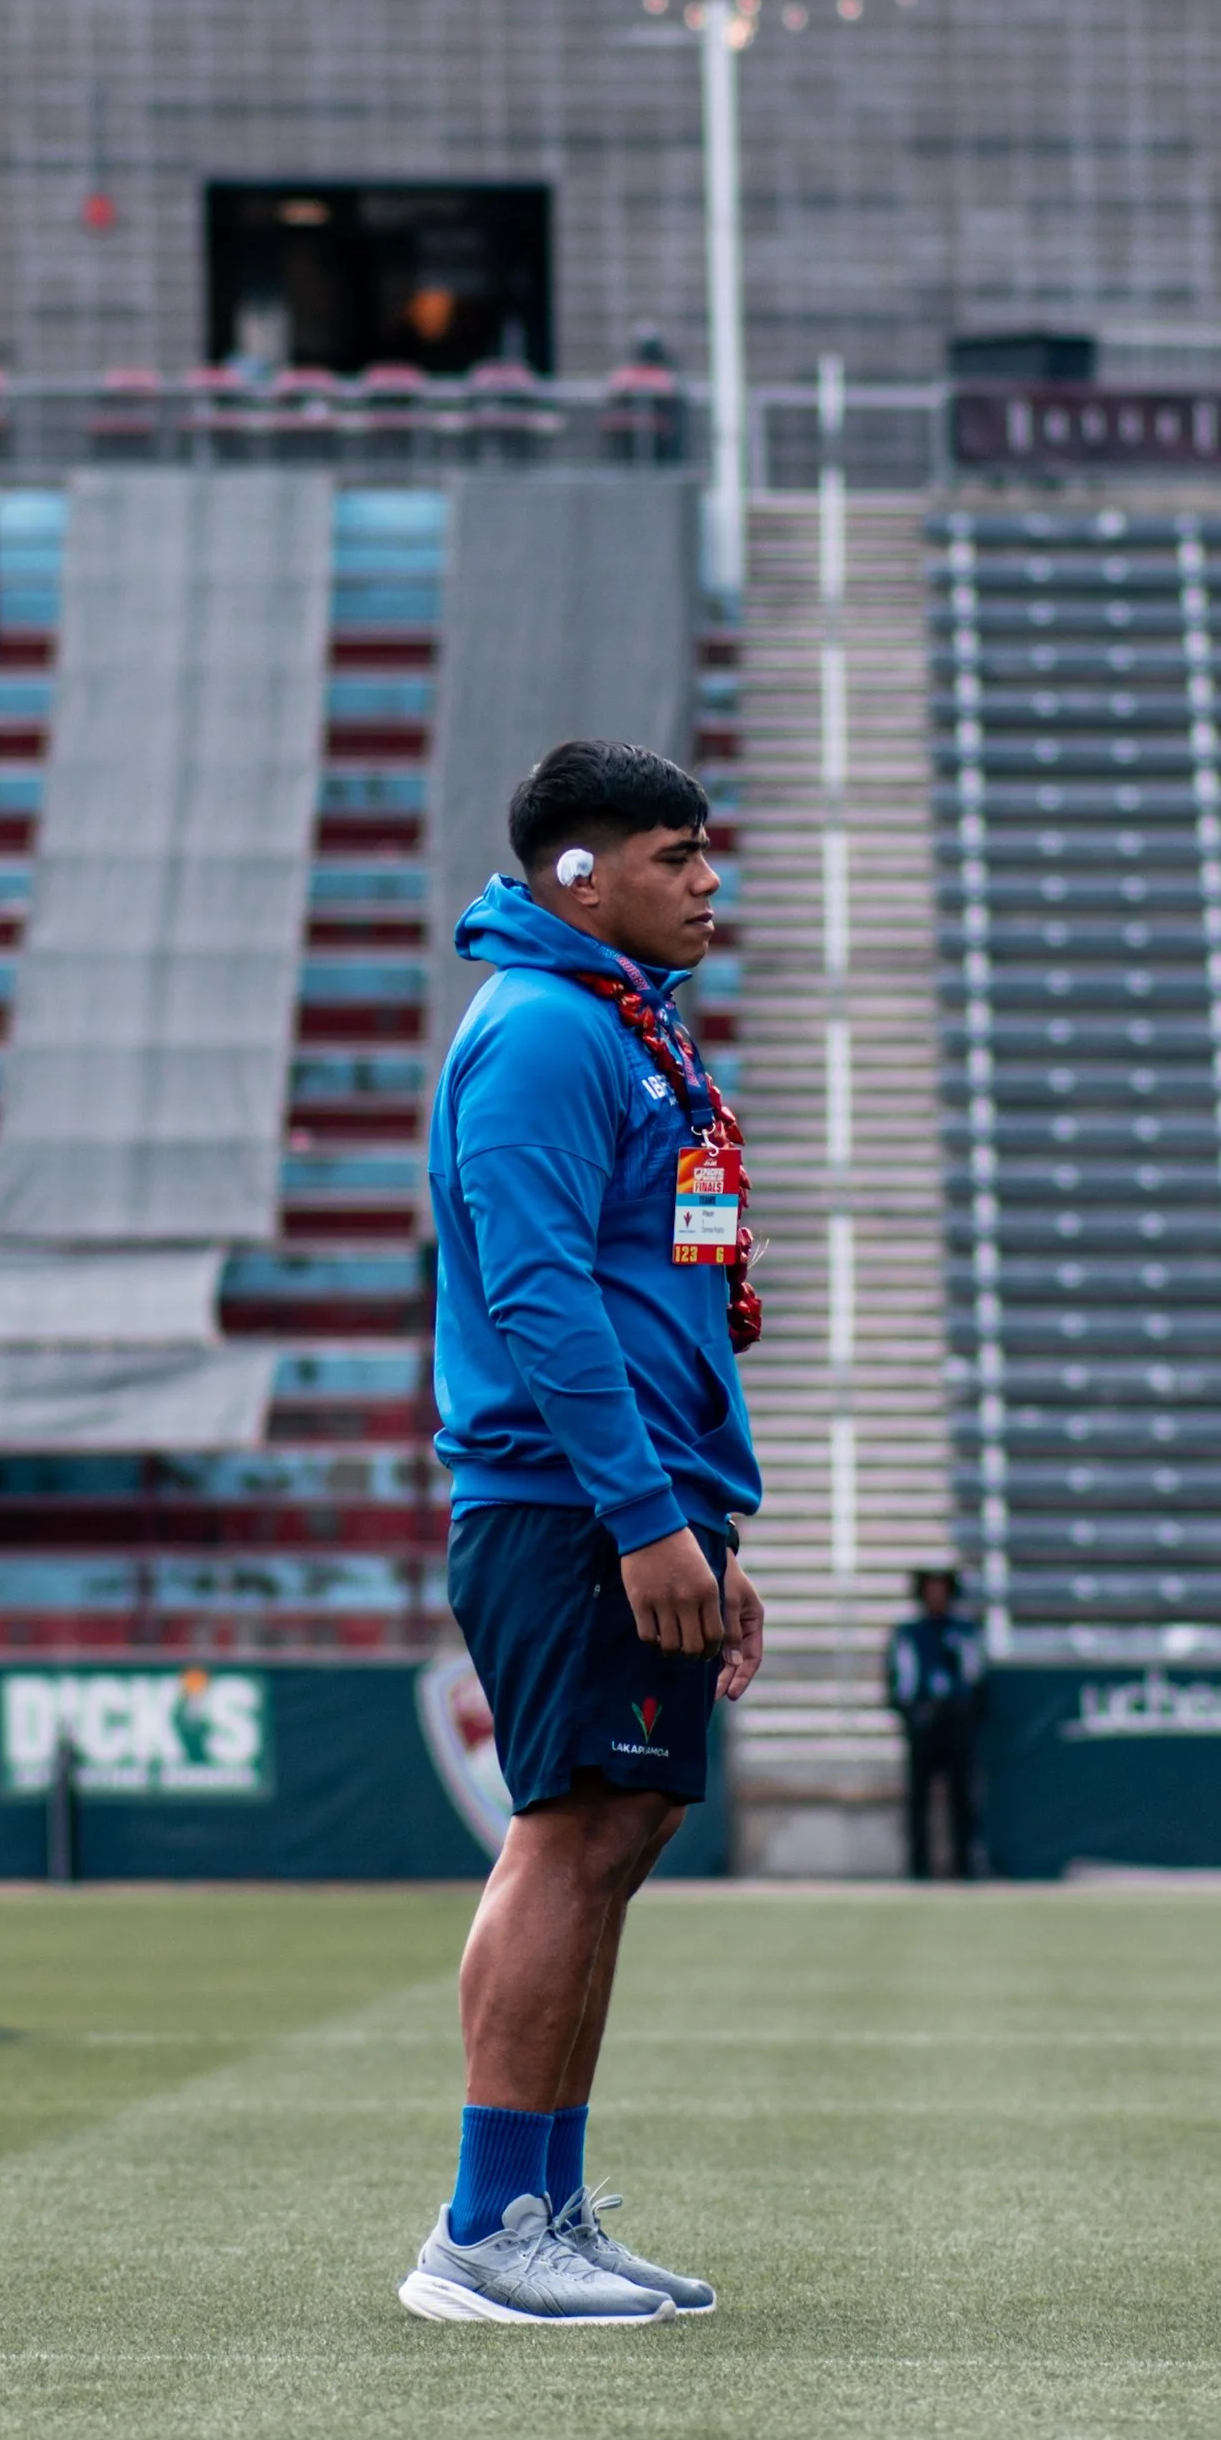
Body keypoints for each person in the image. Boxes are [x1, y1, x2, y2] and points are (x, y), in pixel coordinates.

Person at [400, 737, 765, 2326]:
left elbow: (649, 1293)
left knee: (612, 1837)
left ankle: (538, 2200)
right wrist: (640, 1516)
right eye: (676, 856)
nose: (707, 884)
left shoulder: (618, 1028)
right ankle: (487, 2231)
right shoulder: (548, 1033)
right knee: (569, 1832)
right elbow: (541, 1295)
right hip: (567, 1504)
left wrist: (707, 1524)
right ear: (579, 875)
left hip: (627, 1497)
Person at [886, 1570, 984, 1880]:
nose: (937, 1596)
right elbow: (898, 1681)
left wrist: (965, 1712)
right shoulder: (909, 1634)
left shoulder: (965, 1632)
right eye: (931, 1589)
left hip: (956, 1722)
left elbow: (976, 1678)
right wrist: (913, 1713)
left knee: (962, 1796)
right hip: (924, 1722)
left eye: (942, 1589)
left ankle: (964, 1865)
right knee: (918, 1798)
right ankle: (919, 1867)